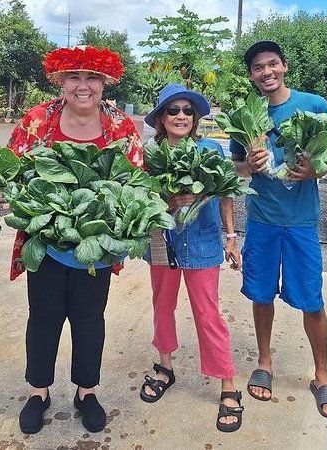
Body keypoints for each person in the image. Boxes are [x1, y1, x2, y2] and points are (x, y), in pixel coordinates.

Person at [8, 46, 143, 435]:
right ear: (61, 82)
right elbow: (12, 170)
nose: (83, 86)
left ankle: (87, 392)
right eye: (74, 77)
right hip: (46, 243)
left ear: (104, 83)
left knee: (89, 319)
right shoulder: (38, 120)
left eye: (92, 78)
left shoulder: (121, 126)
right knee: (43, 317)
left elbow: (138, 182)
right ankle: (38, 392)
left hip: (95, 248)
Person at [229, 41, 327, 420]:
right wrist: (250, 164)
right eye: (258, 67)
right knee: (261, 294)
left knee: (312, 299)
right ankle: (264, 361)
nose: (266, 72)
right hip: (261, 219)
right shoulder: (246, 114)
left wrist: (315, 169)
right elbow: (236, 169)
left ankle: (322, 375)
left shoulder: (314, 104)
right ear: (251, 75)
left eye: (272, 64)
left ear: (284, 66)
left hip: (301, 221)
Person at [139, 84, 244, 432]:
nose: (181, 116)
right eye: (173, 110)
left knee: (207, 312)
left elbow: (227, 193)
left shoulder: (210, 149)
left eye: (187, 110)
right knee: (162, 305)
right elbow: (141, 197)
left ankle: (228, 383)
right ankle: (165, 367)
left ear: (195, 118)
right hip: (161, 239)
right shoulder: (151, 154)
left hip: (202, 242)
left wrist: (231, 238)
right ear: (161, 118)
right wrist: (168, 202)